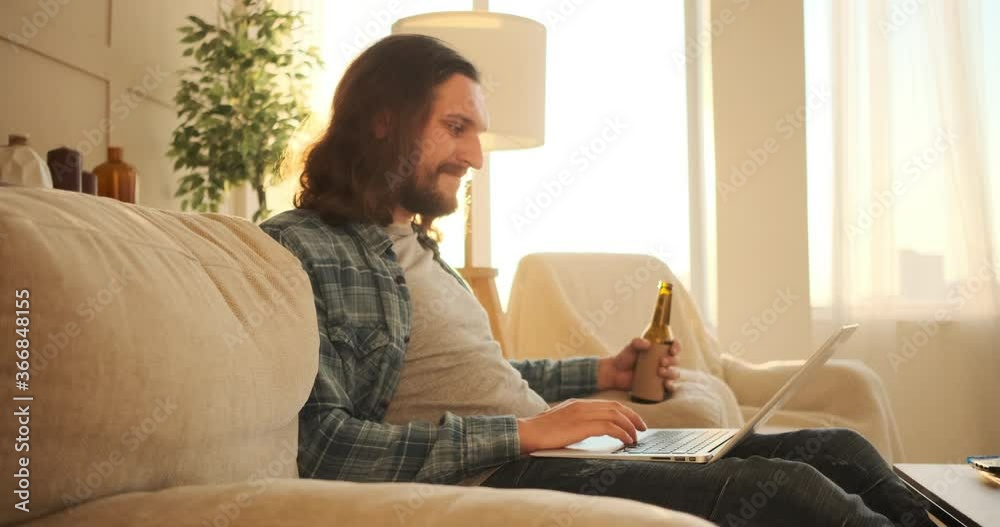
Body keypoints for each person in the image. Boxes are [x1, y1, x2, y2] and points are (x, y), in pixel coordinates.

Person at [260, 34, 931, 526]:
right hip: (502, 474)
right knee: (795, 495)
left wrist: (601, 374)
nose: (473, 157)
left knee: (840, 448)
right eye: (456, 127)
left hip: (541, 451)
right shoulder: (306, 250)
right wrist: (526, 433)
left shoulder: (417, 248)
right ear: (383, 120)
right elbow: (325, 444)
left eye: (476, 134)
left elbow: (476, 376)